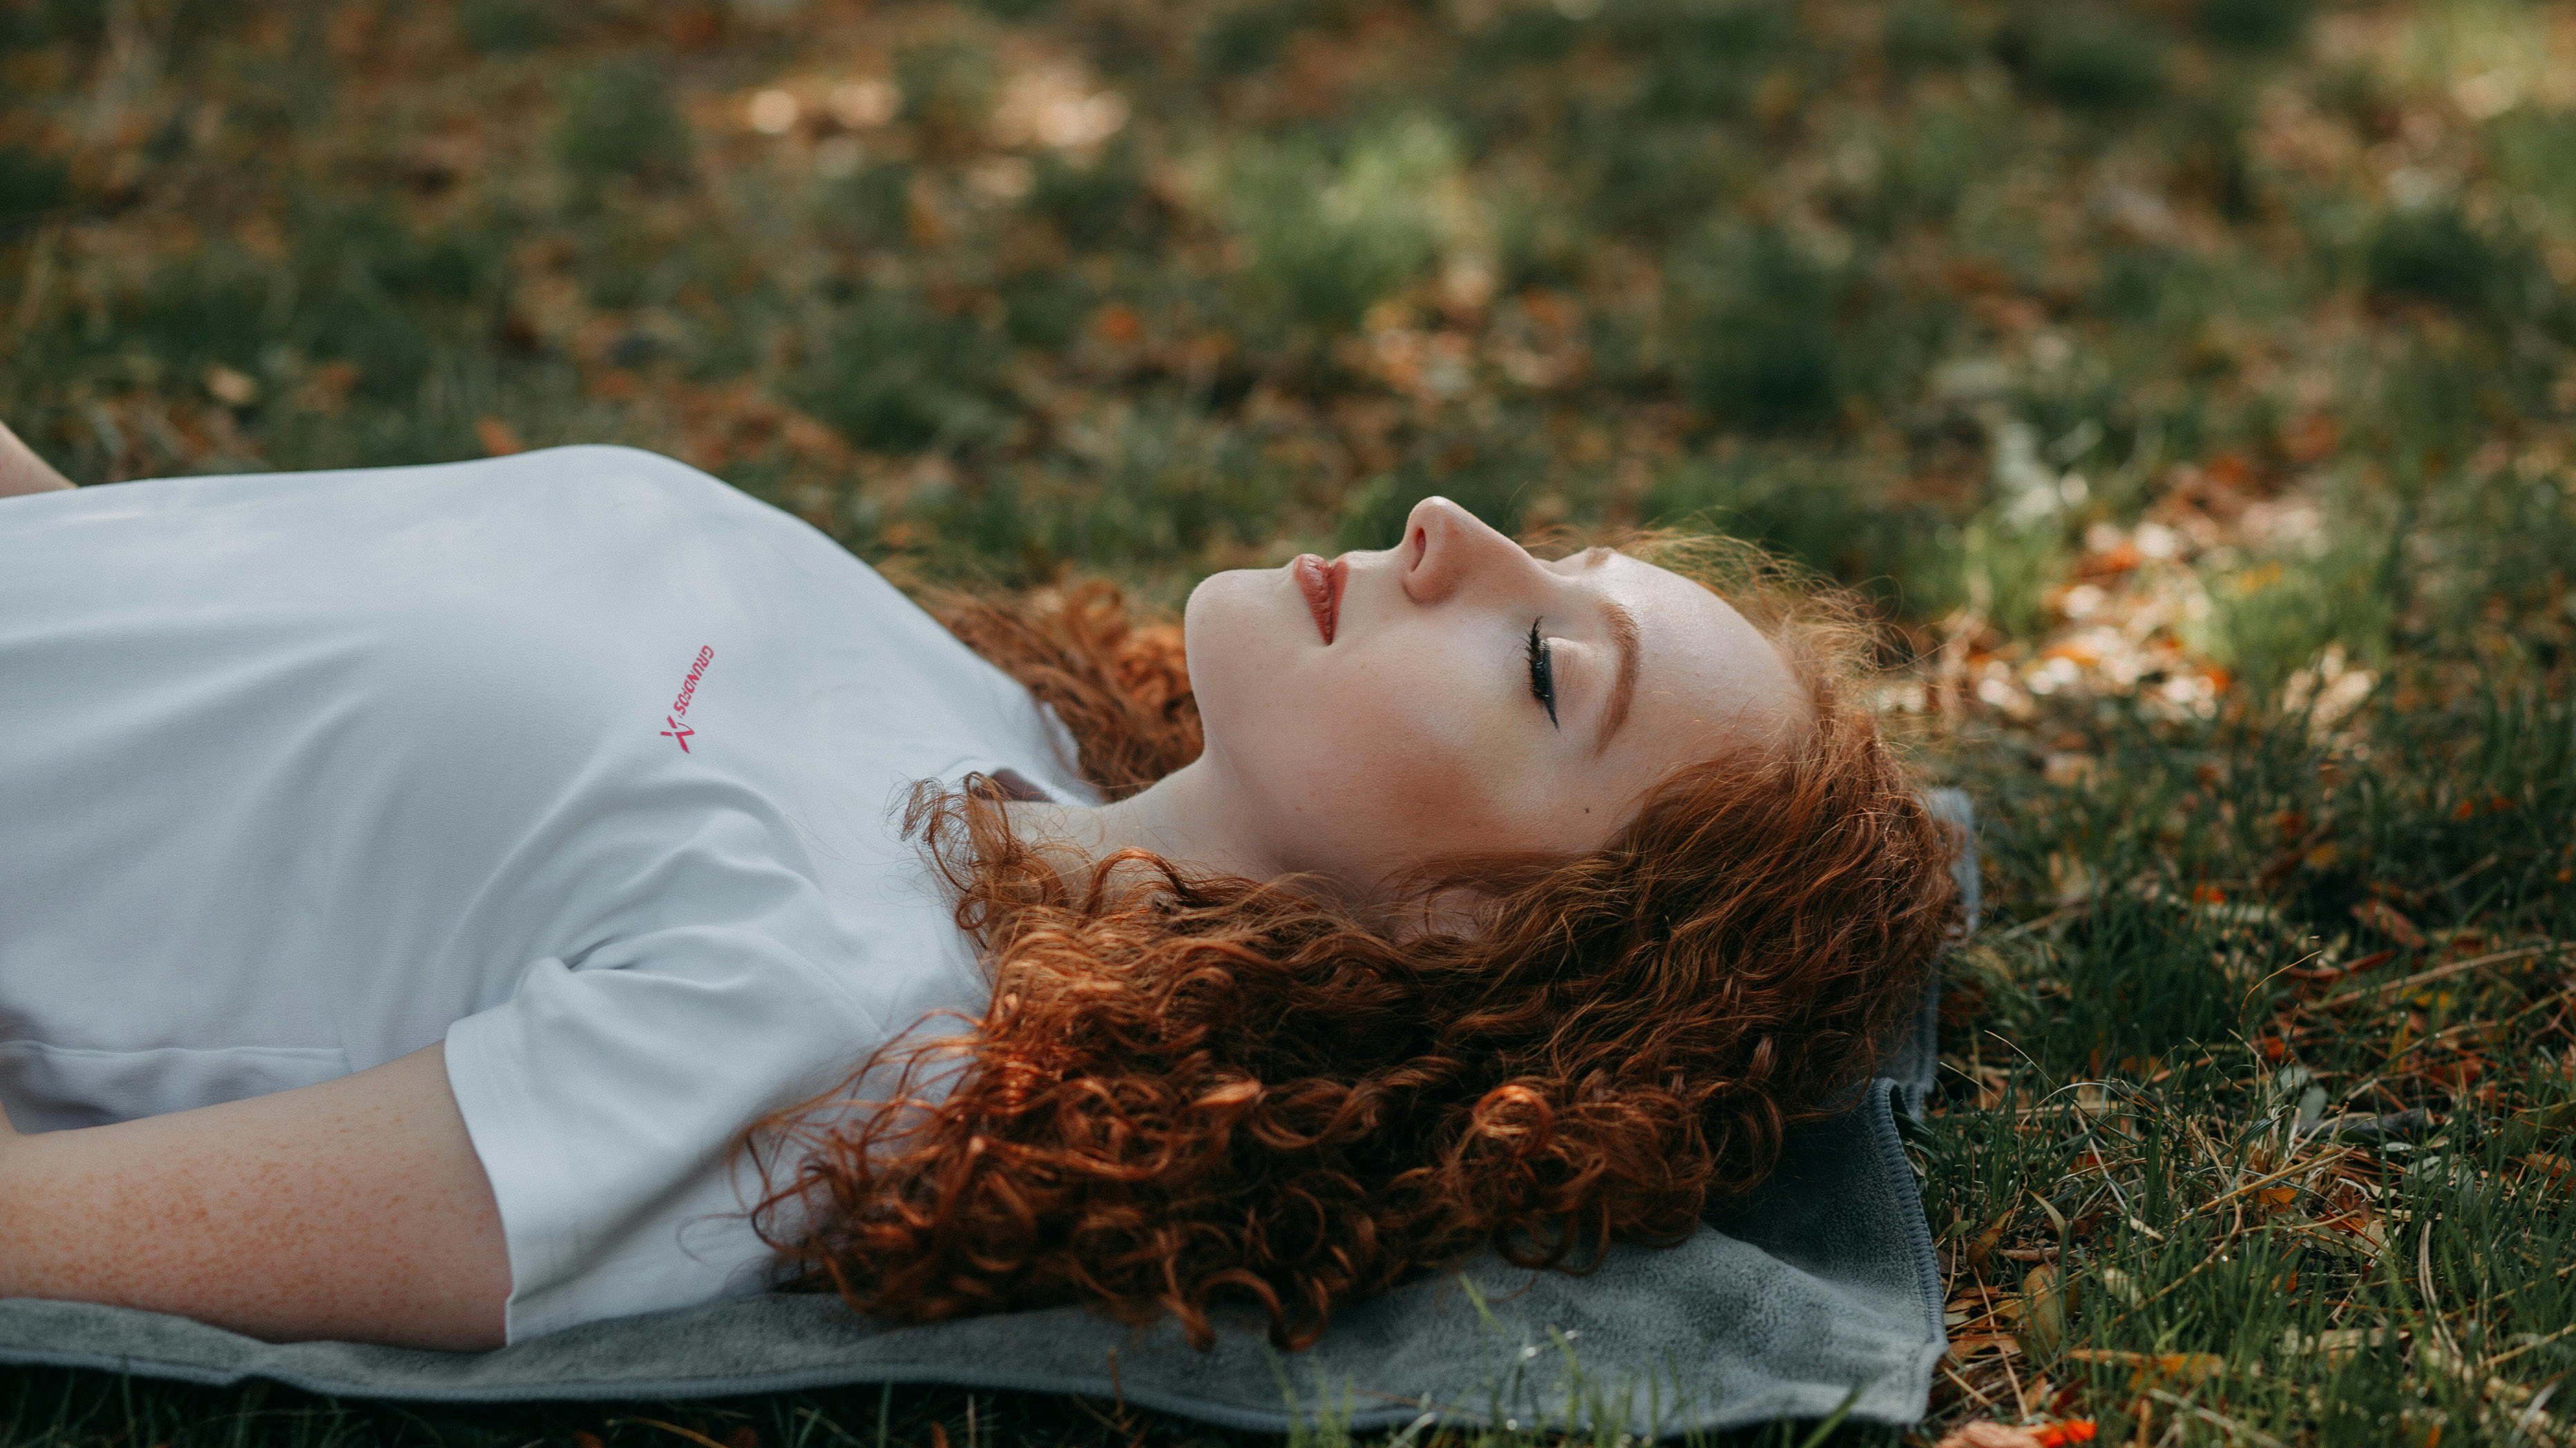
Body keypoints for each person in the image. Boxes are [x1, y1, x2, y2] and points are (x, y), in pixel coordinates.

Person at [0, 428, 1958, 1355]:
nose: (1457, 527)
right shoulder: (983, 724)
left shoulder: (838, 1038)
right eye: (1565, 560)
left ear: (1482, 938)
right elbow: (185, 655)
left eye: (1541, 665)